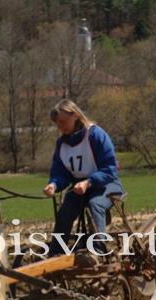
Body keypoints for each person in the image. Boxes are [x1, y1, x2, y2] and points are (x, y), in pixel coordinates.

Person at [43, 99, 123, 256]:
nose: (60, 126)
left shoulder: (95, 135)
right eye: (57, 124)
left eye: (63, 122)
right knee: (64, 212)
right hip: (80, 189)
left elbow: (110, 168)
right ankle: (54, 255)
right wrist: (54, 184)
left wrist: (89, 182)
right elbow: (62, 172)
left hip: (107, 185)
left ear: (75, 115)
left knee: (95, 205)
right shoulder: (62, 144)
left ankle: (98, 252)